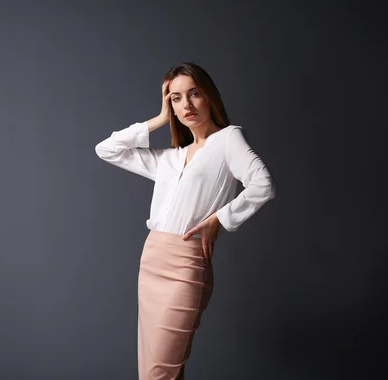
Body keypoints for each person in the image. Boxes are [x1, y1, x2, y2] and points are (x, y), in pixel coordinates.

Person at [95, 62, 276, 379]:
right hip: (151, 262)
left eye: (194, 94)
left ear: (209, 97)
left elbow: (263, 184)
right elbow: (106, 149)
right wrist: (159, 120)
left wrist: (219, 219)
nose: (186, 105)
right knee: (156, 372)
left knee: (159, 374)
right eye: (176, 98)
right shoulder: (170, 157)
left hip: (186, 265)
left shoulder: (229, 140)